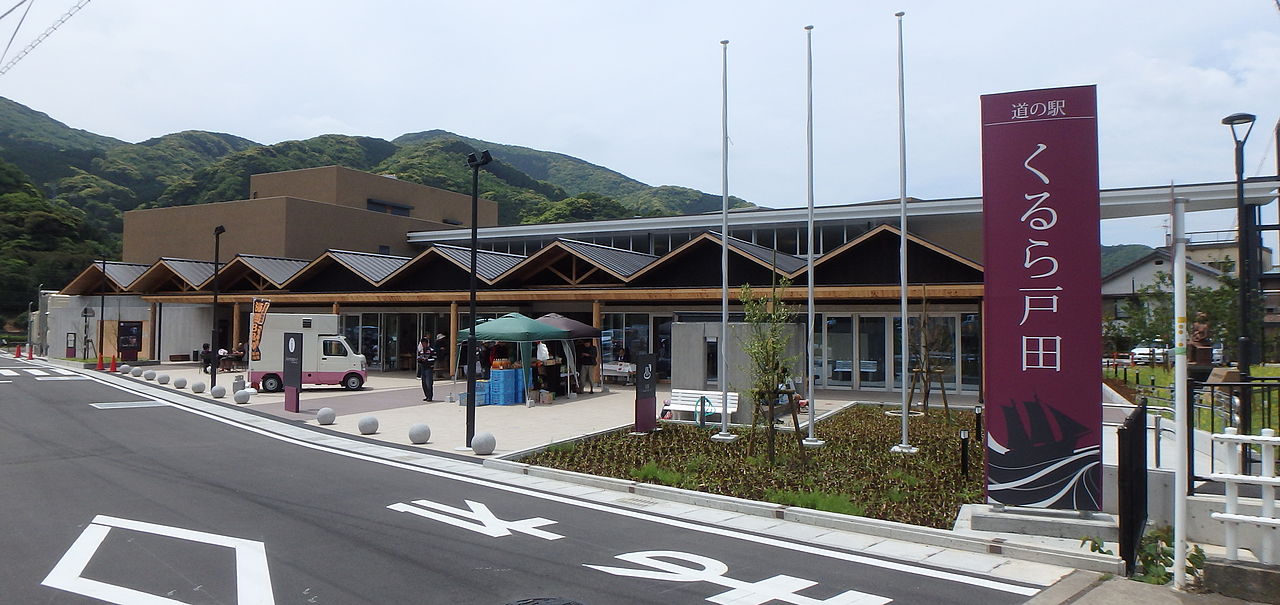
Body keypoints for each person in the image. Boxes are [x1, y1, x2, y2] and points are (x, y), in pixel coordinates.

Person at [416, 336, 437, 401]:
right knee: (424, 383)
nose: (423, 345)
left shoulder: (431, 350)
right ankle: (426, 396)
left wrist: (427, 360)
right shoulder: (421, 351)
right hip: (423, 368)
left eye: (424, 343)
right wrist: (419, 359)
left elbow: (434, 358)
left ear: (427, 343)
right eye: (422, 344)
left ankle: (430, 397)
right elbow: (419, 358)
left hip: (429, 368)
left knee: (429, 383)